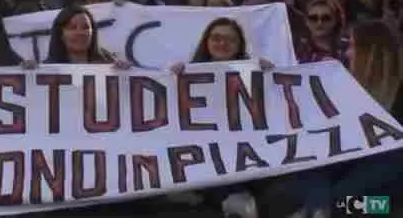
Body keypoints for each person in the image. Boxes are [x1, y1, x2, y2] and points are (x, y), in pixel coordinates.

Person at [270, 20, 403, 218]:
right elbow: (321, 152)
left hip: (387, 205)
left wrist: (330, 204)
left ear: (371, 51)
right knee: (282, 195)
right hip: (331, 195)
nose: (346, 54)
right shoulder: (342, 92)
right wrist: (269, 76)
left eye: (351, 46)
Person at [169, 17, 274, 218]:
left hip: (243, 155)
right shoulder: (187, 72)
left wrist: (270, 75)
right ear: (206, 42)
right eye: (216, 38)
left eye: (229, 39)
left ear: (239, 44)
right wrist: (171, 77)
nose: (222, 44)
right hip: (202, 155)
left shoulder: (254, 73)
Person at [45, 5, 132, 69]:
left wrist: (124, 76)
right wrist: (31, 74)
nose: (80, 33)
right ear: (60, 34)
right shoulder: (45, 70)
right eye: (72, 27)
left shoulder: (110, 65)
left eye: (86, 27)